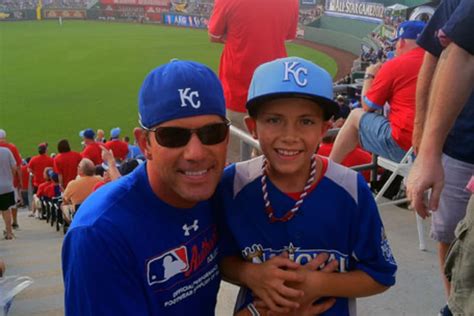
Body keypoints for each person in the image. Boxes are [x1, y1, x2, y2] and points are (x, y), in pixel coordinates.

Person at [217, 57, 397, 315]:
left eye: (306, 121)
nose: (290, 136)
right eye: (274, 120)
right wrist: (248, 272)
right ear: (252, 126)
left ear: (324, 129)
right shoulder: (233, 184)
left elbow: (381, 275)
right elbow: (218, 259)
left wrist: (317, 283)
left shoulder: (350, 188)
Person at [62, 60, 229, 315]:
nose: (196, 153)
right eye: (173, 136)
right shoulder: (99, 235)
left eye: (212, 133)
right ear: (144, 143)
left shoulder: (219, 191)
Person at [406, 1, 474, 314]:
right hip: (460, 142)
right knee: (452, 237)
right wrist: (425, 142)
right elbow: (443, 55)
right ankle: (453, 303)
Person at [329, 21, 426, 164]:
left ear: (402, 42)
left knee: (356, 115)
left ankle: (329, 168)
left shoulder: (395, 64)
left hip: (407, 148)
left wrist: (369, 76)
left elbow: (368, 105)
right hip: (439, 149)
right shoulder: (439, 60)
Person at [208, 0, 298, 132]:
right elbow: (287, 37)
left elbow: (214, 36)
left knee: (235, 150)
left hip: (236, 91)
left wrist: (236, 35)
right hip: (274, 90)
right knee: (266, 150)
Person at [0, 129, 22, 229]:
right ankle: (15, 221)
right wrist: (20, 180)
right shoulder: (11, 147)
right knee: (11, 204)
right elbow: (17, 166)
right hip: (11, 182)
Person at [0, 147, 17, 240]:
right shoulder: (6, 151)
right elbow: (14, 167)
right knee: (6, 209)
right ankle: (9, 232)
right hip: (6, 185)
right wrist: (11, 178)